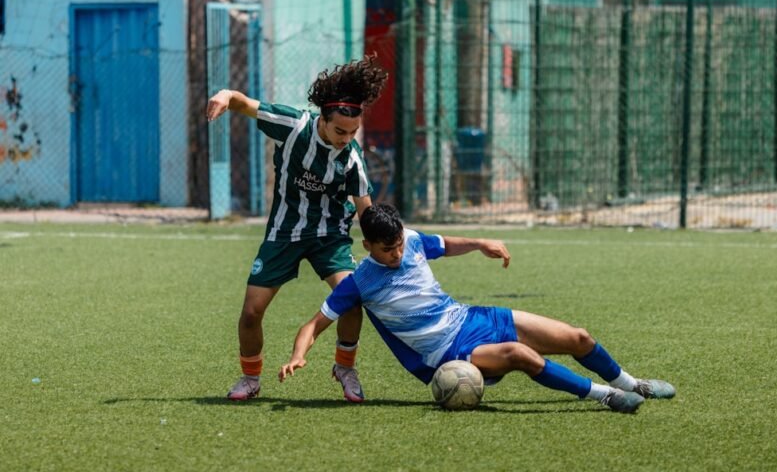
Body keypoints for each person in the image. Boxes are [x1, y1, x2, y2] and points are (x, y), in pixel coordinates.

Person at [279, 204, 676, 413]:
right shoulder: (358, 283)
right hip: (447, 353)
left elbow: (445, 244)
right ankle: (604, 396)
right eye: (388, 249)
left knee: (578, 337)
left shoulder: (413, 240)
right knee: (522, 355)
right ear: (368, 247)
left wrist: (482, 242)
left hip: (473, 318)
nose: (398, 252)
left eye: (399, 243)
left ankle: (630, 382)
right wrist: (298, 356)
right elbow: (314, 324)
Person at [206, 55, 388, 402]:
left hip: (329, 237)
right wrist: (226, 95)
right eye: (339, 131)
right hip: (284, 232)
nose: (345, 139)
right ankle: (250, 378)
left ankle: (345, 367)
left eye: (353, 132)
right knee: (251, 312)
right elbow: (245, 104)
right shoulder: (292, 125)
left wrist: (384, 245)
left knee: (351, 301)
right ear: (323, 119)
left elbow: (366, 210)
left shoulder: (352, 158)